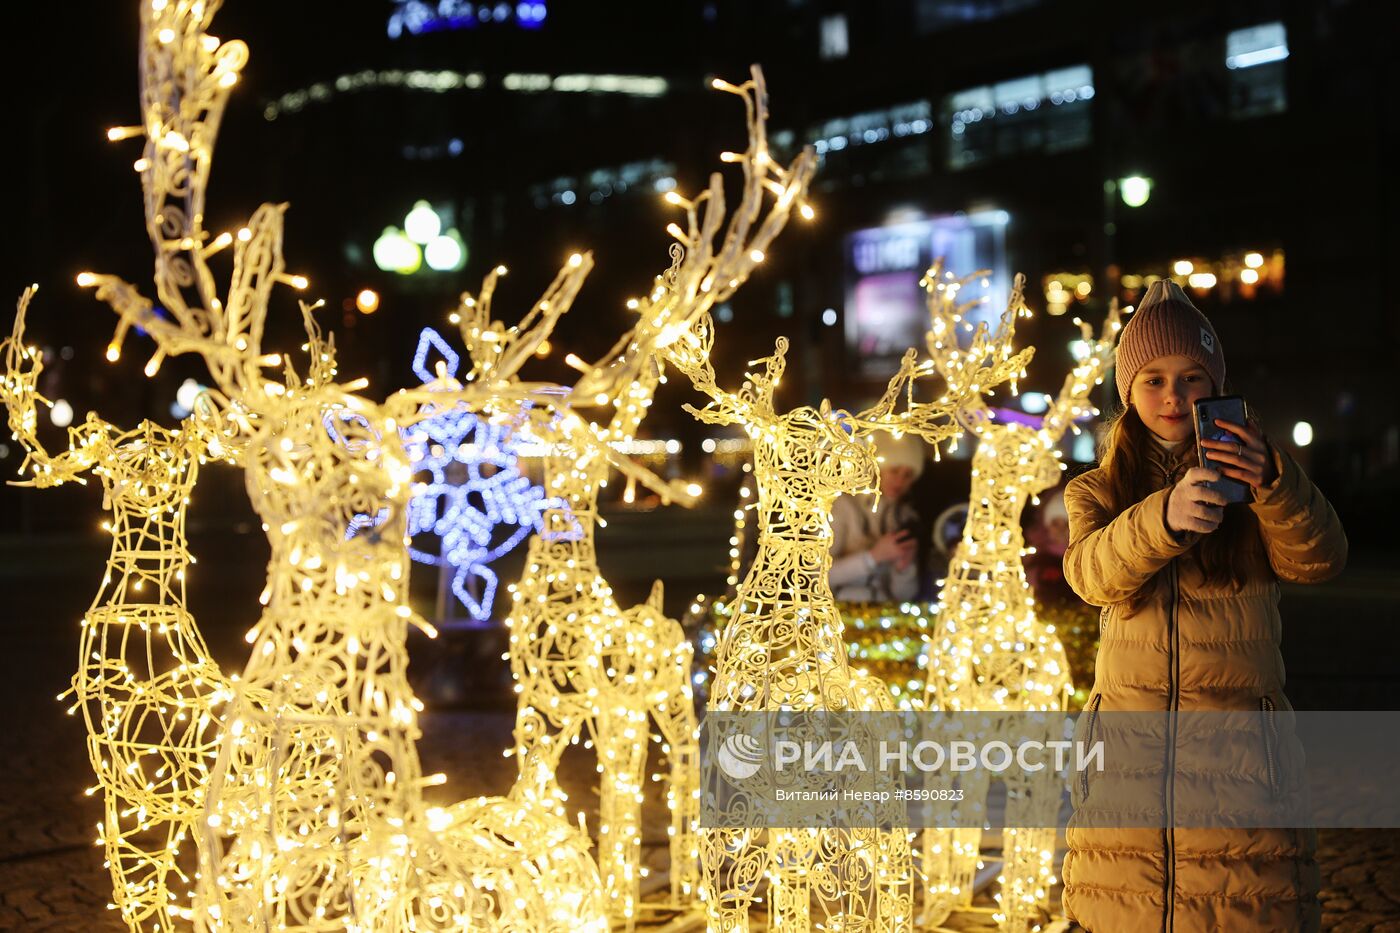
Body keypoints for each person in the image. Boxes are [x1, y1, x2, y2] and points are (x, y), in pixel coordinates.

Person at [1059, 280, 1346, 932]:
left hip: (1242, 770)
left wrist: (1273, 482)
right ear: (1128, 389)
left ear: (1215, 385)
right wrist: (1163, 516)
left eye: (1192, 376)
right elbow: (1090, 574)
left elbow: (1321, 557)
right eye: (1153, 378)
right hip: (1128, 771)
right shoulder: (1096, 490)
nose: (1173, 395)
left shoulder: (1257, 476)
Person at [829, 432, 926, 602]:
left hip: (884, 615)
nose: (900, 481)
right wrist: (872, 557)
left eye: (908, 475)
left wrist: (904, 568)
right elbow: (816, 575)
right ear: (875, 468)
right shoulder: (842, 505)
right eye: (894, 470)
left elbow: (904, 595)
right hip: (836, 612)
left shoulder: (904, 516)